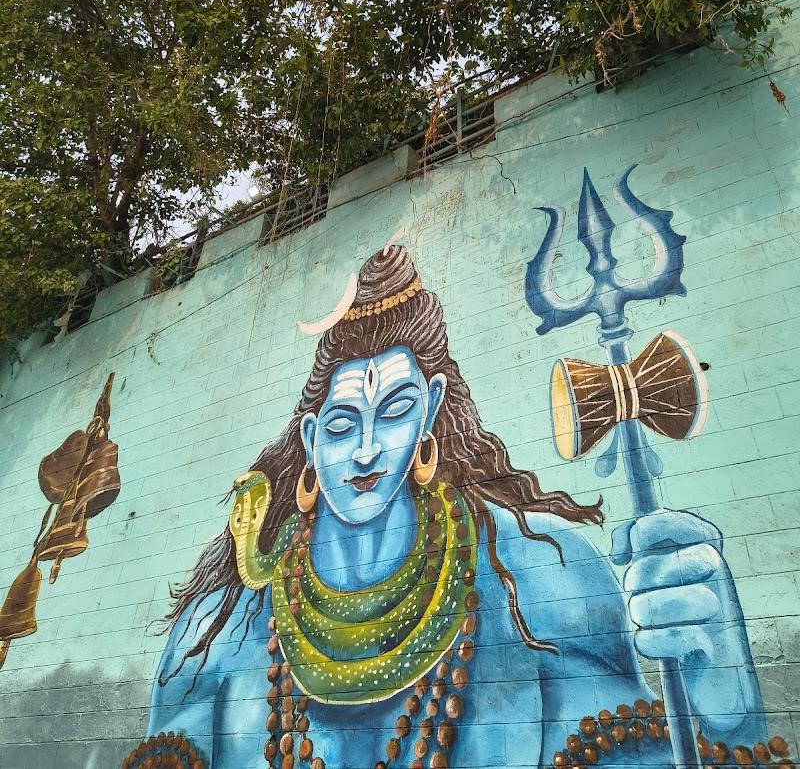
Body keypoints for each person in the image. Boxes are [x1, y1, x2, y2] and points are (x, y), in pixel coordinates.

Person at [139, 245, 768, 769]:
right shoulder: (217, 635)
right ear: (307, 439)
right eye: (338, 426)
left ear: (430, 410)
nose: (364, 451)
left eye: (393, 412)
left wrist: (726, 708)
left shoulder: (540, 579)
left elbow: (637, 752)